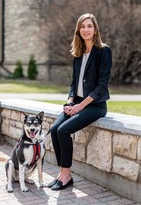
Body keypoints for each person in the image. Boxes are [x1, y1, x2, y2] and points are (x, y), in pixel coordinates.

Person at [47, 13, 112, 191]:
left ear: (95, 29)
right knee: (54, 130)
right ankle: (63, 173)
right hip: (76, 104)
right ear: (78, 30)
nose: (86, 30)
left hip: (95, 106)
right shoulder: (78, 53)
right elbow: (74, 84)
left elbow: (101, 85)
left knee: (63, 130)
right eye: (82, 27)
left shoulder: (103, 51)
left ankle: (66, 175)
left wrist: (80, 107)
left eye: (89, 26)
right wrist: (69, 103)